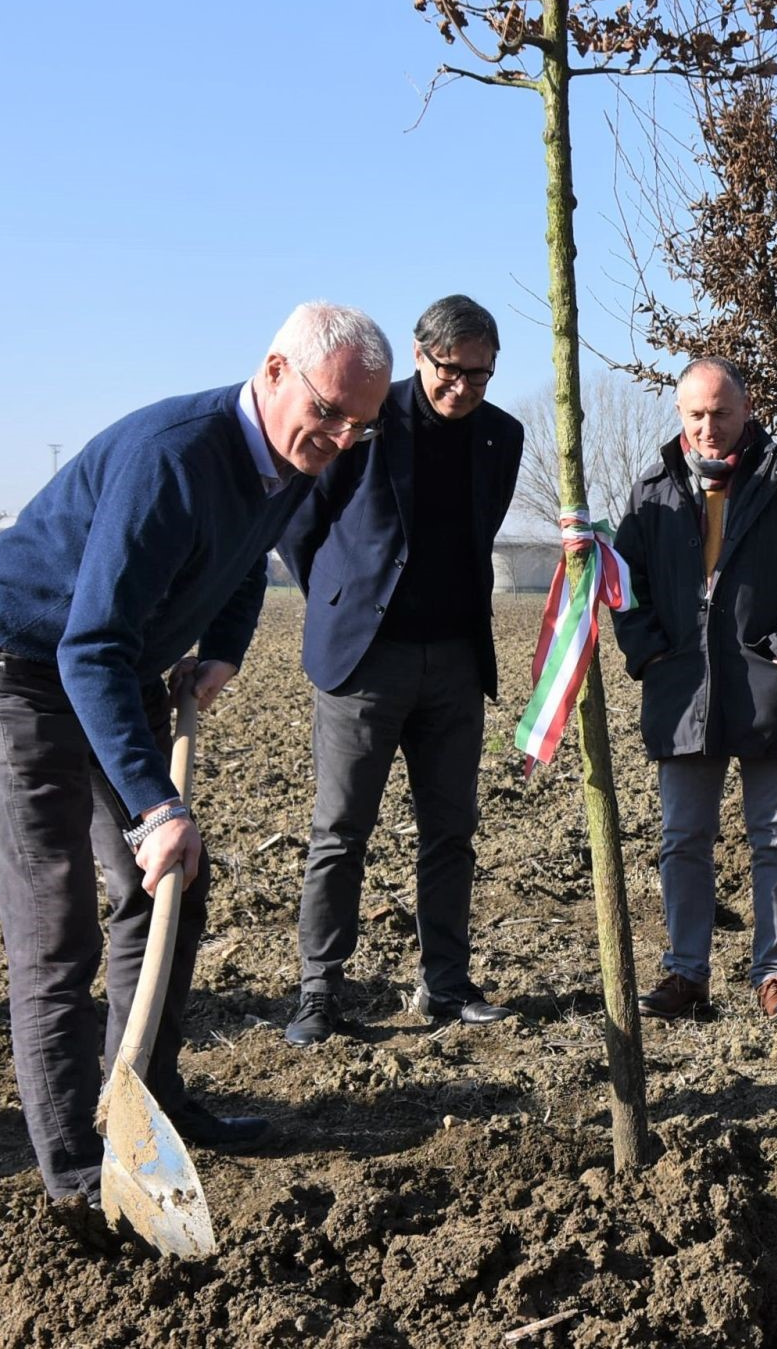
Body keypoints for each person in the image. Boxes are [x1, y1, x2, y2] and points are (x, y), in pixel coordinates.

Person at [0, 302, 394, 1212]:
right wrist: (155, 804)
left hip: (118, 666)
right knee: (55, 921)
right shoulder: (173, 458)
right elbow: (87, 645)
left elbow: (249, 561)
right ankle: (73, 1168)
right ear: (273, 371)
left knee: (175, 881)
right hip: (22, 667)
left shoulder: (298, 463)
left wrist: (222, 646)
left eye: (360, 424)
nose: (341, 437)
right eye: (330, 411)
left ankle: (147, 1094)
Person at [278, 295, 526, 1046]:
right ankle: (319, 992)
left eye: (481, 376)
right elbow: (301, 525)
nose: (466, 389)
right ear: (420, 354)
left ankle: (446, 983)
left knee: (451, 831)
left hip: (454, 662)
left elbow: (479, 531)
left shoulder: (501, 438)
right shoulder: (363, 417)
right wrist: (340, 596)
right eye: (453, 373)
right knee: (340, 831)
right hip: (363, 662)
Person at [612, 357, 777, 1024]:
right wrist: (652, 651)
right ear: (680, 415)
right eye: (696, 414)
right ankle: (686, 976)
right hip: (682, 692)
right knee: (682, 837)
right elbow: (625, 586)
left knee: (776, 838)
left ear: (747, 409)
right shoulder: (653, 490)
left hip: (771, 691)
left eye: (721, 412)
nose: (709, 426)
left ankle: (775, 977)